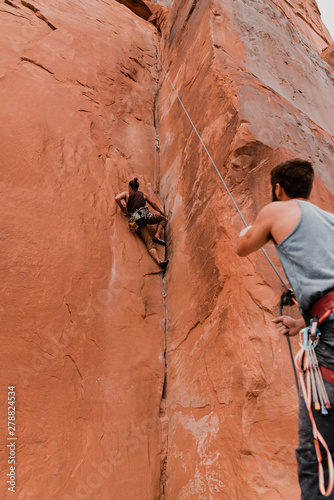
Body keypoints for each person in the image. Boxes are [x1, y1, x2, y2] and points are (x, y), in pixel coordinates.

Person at [236, 158, 334, 499]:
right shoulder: (331, 221)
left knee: (316, 452)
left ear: (278, 188)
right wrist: (303, 323)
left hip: (329, 335)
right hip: (325, 322)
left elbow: (242, 247)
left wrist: (245, 230)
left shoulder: (276, 211)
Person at [115, 178, 169, 269]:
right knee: (163, 219)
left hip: (136, 221)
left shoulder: (127, 194)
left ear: (130, 187)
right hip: (145, 216)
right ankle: (157, 236)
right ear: (137, 187)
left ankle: (159, 261)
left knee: (148, 242)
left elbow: (117, 198)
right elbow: (154, 205)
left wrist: (121, 207)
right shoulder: (143, 195)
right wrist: (162, 213)